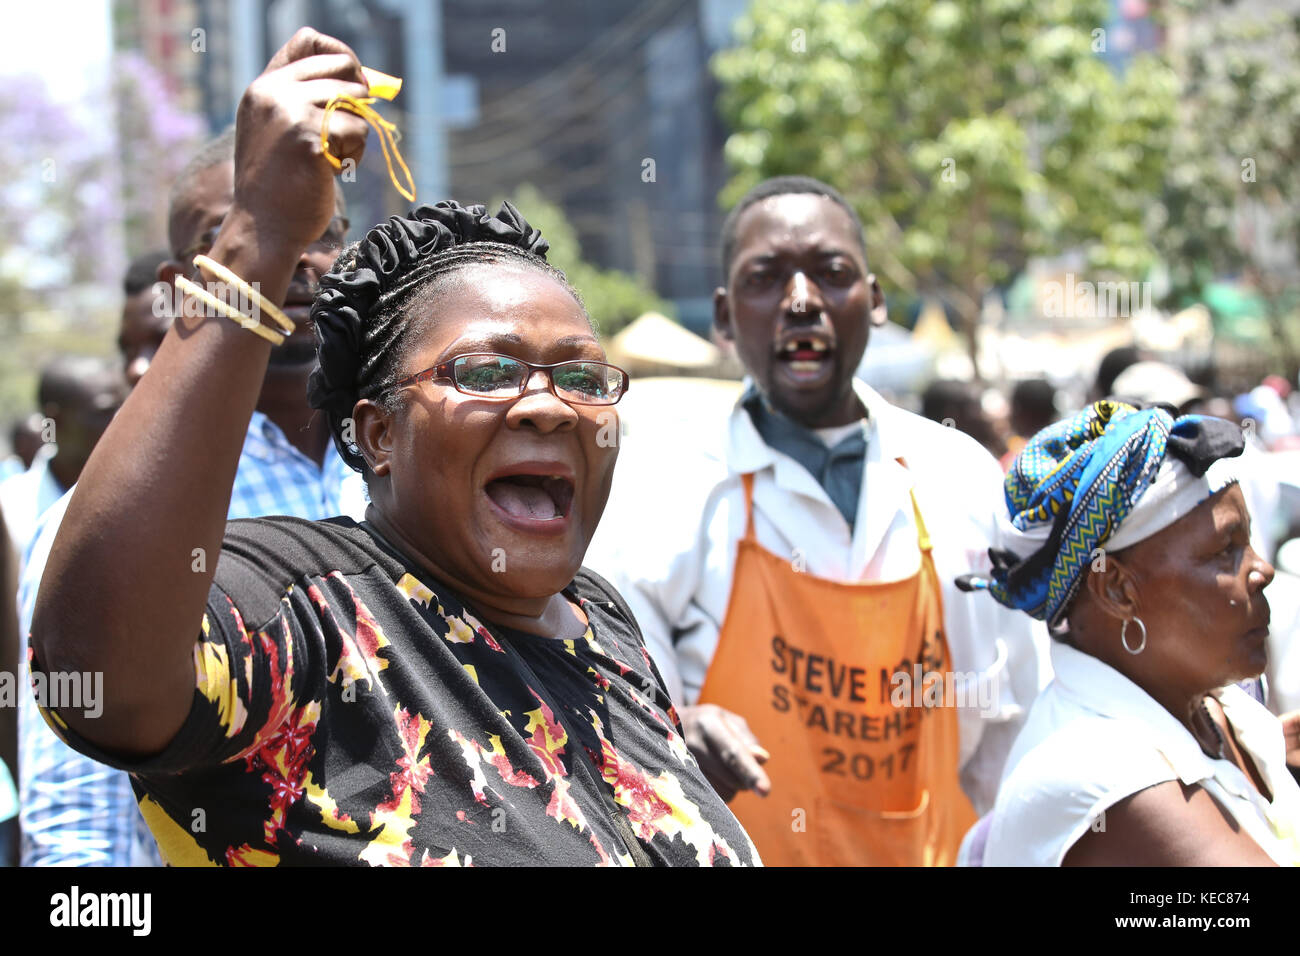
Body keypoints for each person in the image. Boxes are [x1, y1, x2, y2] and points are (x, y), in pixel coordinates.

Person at [29, 28, 757, 867]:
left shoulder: (602, 622)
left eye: (585, 379)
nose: (549, 406)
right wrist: (256, 236)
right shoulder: (310, 606)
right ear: (378, 434)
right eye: (487, 370)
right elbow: (98, 676)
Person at [587, 175, 1048, 866]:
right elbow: (623, 727)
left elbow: (1014, 730)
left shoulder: (961, 476)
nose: (801, 302)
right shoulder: (663, 492)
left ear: (878, 299)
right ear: (723, 315)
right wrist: (679, 734)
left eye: (831, 274)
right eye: (766, 278)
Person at [17, 135, 363, 867]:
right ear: (182, 286)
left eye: (322, 230)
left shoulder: (426, 470)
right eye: (244, 234)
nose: (297, 254)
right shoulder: (105, 529)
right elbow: (83, 829)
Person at [966, 401, 1300, 865]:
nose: (1261, 570)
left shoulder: (1213, 711)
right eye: (1226, 549)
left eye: (1248, 542)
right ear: (1118, 590)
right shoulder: (1106, 773)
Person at [0, 357, 125, 557]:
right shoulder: (11, 510)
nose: (122, 419)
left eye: (124, 407)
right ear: (57, 420)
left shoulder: (137, 495)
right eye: (105, 412)